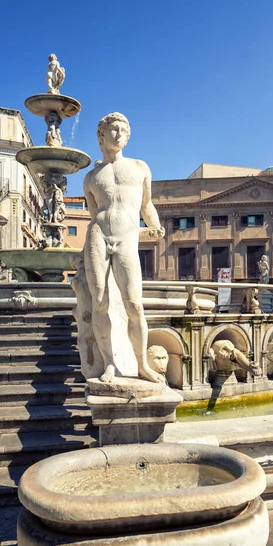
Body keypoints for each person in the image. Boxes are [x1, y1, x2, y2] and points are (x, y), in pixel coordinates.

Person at [83, 112, 165, 384]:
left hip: (127, 236)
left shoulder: (140, 168)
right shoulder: (92, 177)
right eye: (113, 129)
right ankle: (109, 363)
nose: (118, 134)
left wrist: (154, 224)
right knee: (99, 302)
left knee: (134, 304)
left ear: (128, 136)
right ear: (101, 135)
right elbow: (95, 213)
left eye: (123, 130)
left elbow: (146, 205)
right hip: (98, 234)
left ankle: (142, 365)